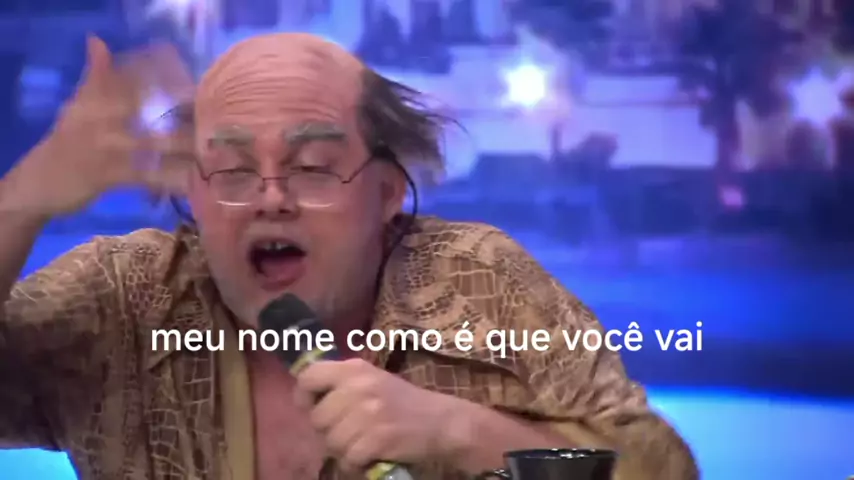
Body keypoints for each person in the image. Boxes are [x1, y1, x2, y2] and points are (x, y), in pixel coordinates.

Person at [0, 32, 698, 480]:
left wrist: (462, 434)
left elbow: (663, 469)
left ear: (387, 192)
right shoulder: (123, 295)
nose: (271, 198)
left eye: (311, 167)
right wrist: (22, 200)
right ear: (194, 193)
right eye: (233, 170)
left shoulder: (482, 283)